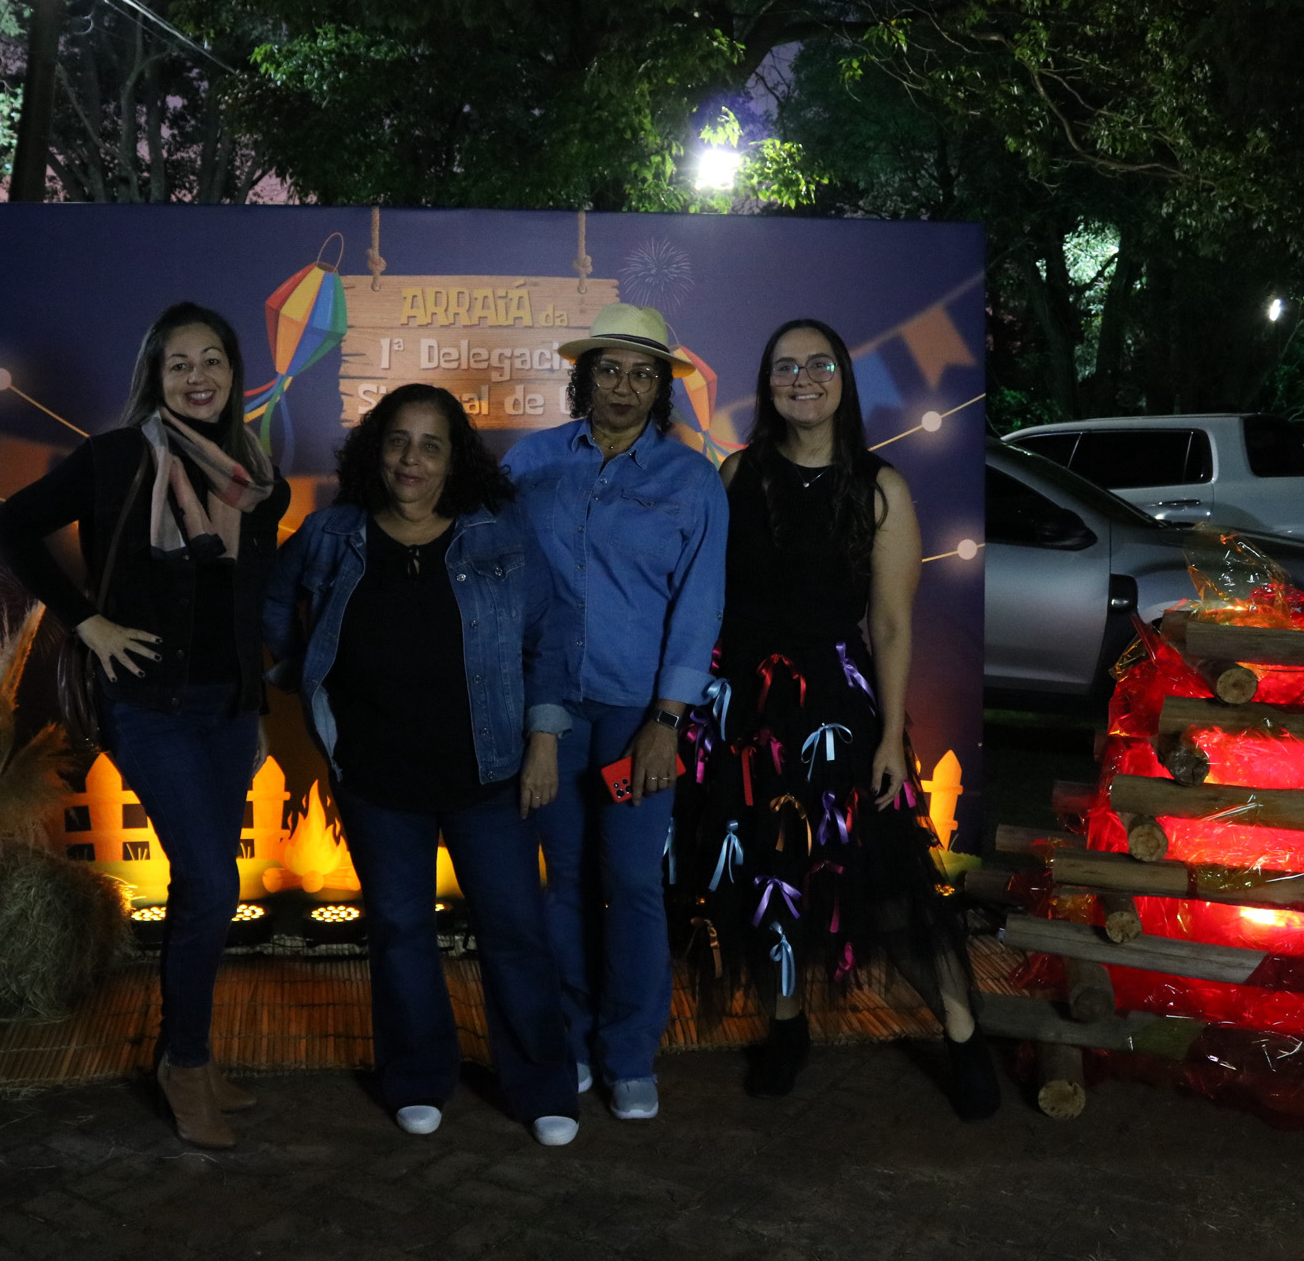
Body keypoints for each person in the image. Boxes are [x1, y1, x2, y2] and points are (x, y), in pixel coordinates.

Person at [672, 317, 998, 1117]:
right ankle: (787, 1029)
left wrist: (889, 735)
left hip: (837, 707)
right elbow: (707, 596)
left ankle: (963, 1035)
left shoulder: (881, 488)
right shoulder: (737, 474)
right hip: (743, 707)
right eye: (785, 366)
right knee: (765, 874)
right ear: (767, 384)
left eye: (819, 364)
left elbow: (890, 624)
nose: (803, 379)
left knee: (890, 878)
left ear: (843, 380)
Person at [0, 301, 290, 1149]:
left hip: (227, 710)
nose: (199, 377)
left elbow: (242, 608)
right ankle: (183, 1064)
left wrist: (254, 709)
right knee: (211, 885)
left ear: (234, 373)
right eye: (179, 363)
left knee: (205, 889)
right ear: (155, 377)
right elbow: (12, 526)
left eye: (213, 360)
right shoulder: (118, 456)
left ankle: (185, 1053)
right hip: (150, 708)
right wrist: (86, 620)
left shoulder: (254, 474)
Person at [264, 383, 581, 1146]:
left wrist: (544, 737)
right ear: (376, 450)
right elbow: (271, 606)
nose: (412, 458)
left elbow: (551, 633)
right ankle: (417, 1076)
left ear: (454, 460)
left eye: (431, 445)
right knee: (401, 931)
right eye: (398, 441)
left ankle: (541, 1087)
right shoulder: (331, 535)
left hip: (490, 774)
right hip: (378, 780)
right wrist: (298, 674)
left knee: (516, 931)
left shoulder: (498, 533)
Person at [503, 304, 727, 1121]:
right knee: (564, 880)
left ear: (662, 387)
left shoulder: (692, 481)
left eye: (642, 373)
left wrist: (667, 721)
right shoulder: (528, 464)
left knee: (631, 883)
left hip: (639, 717)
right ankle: (572, 1037)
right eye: (609, 369)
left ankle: (630, 1054)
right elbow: (502, 581)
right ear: (584, 377)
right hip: (551, 711)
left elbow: (699, 606)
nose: (624, 387)